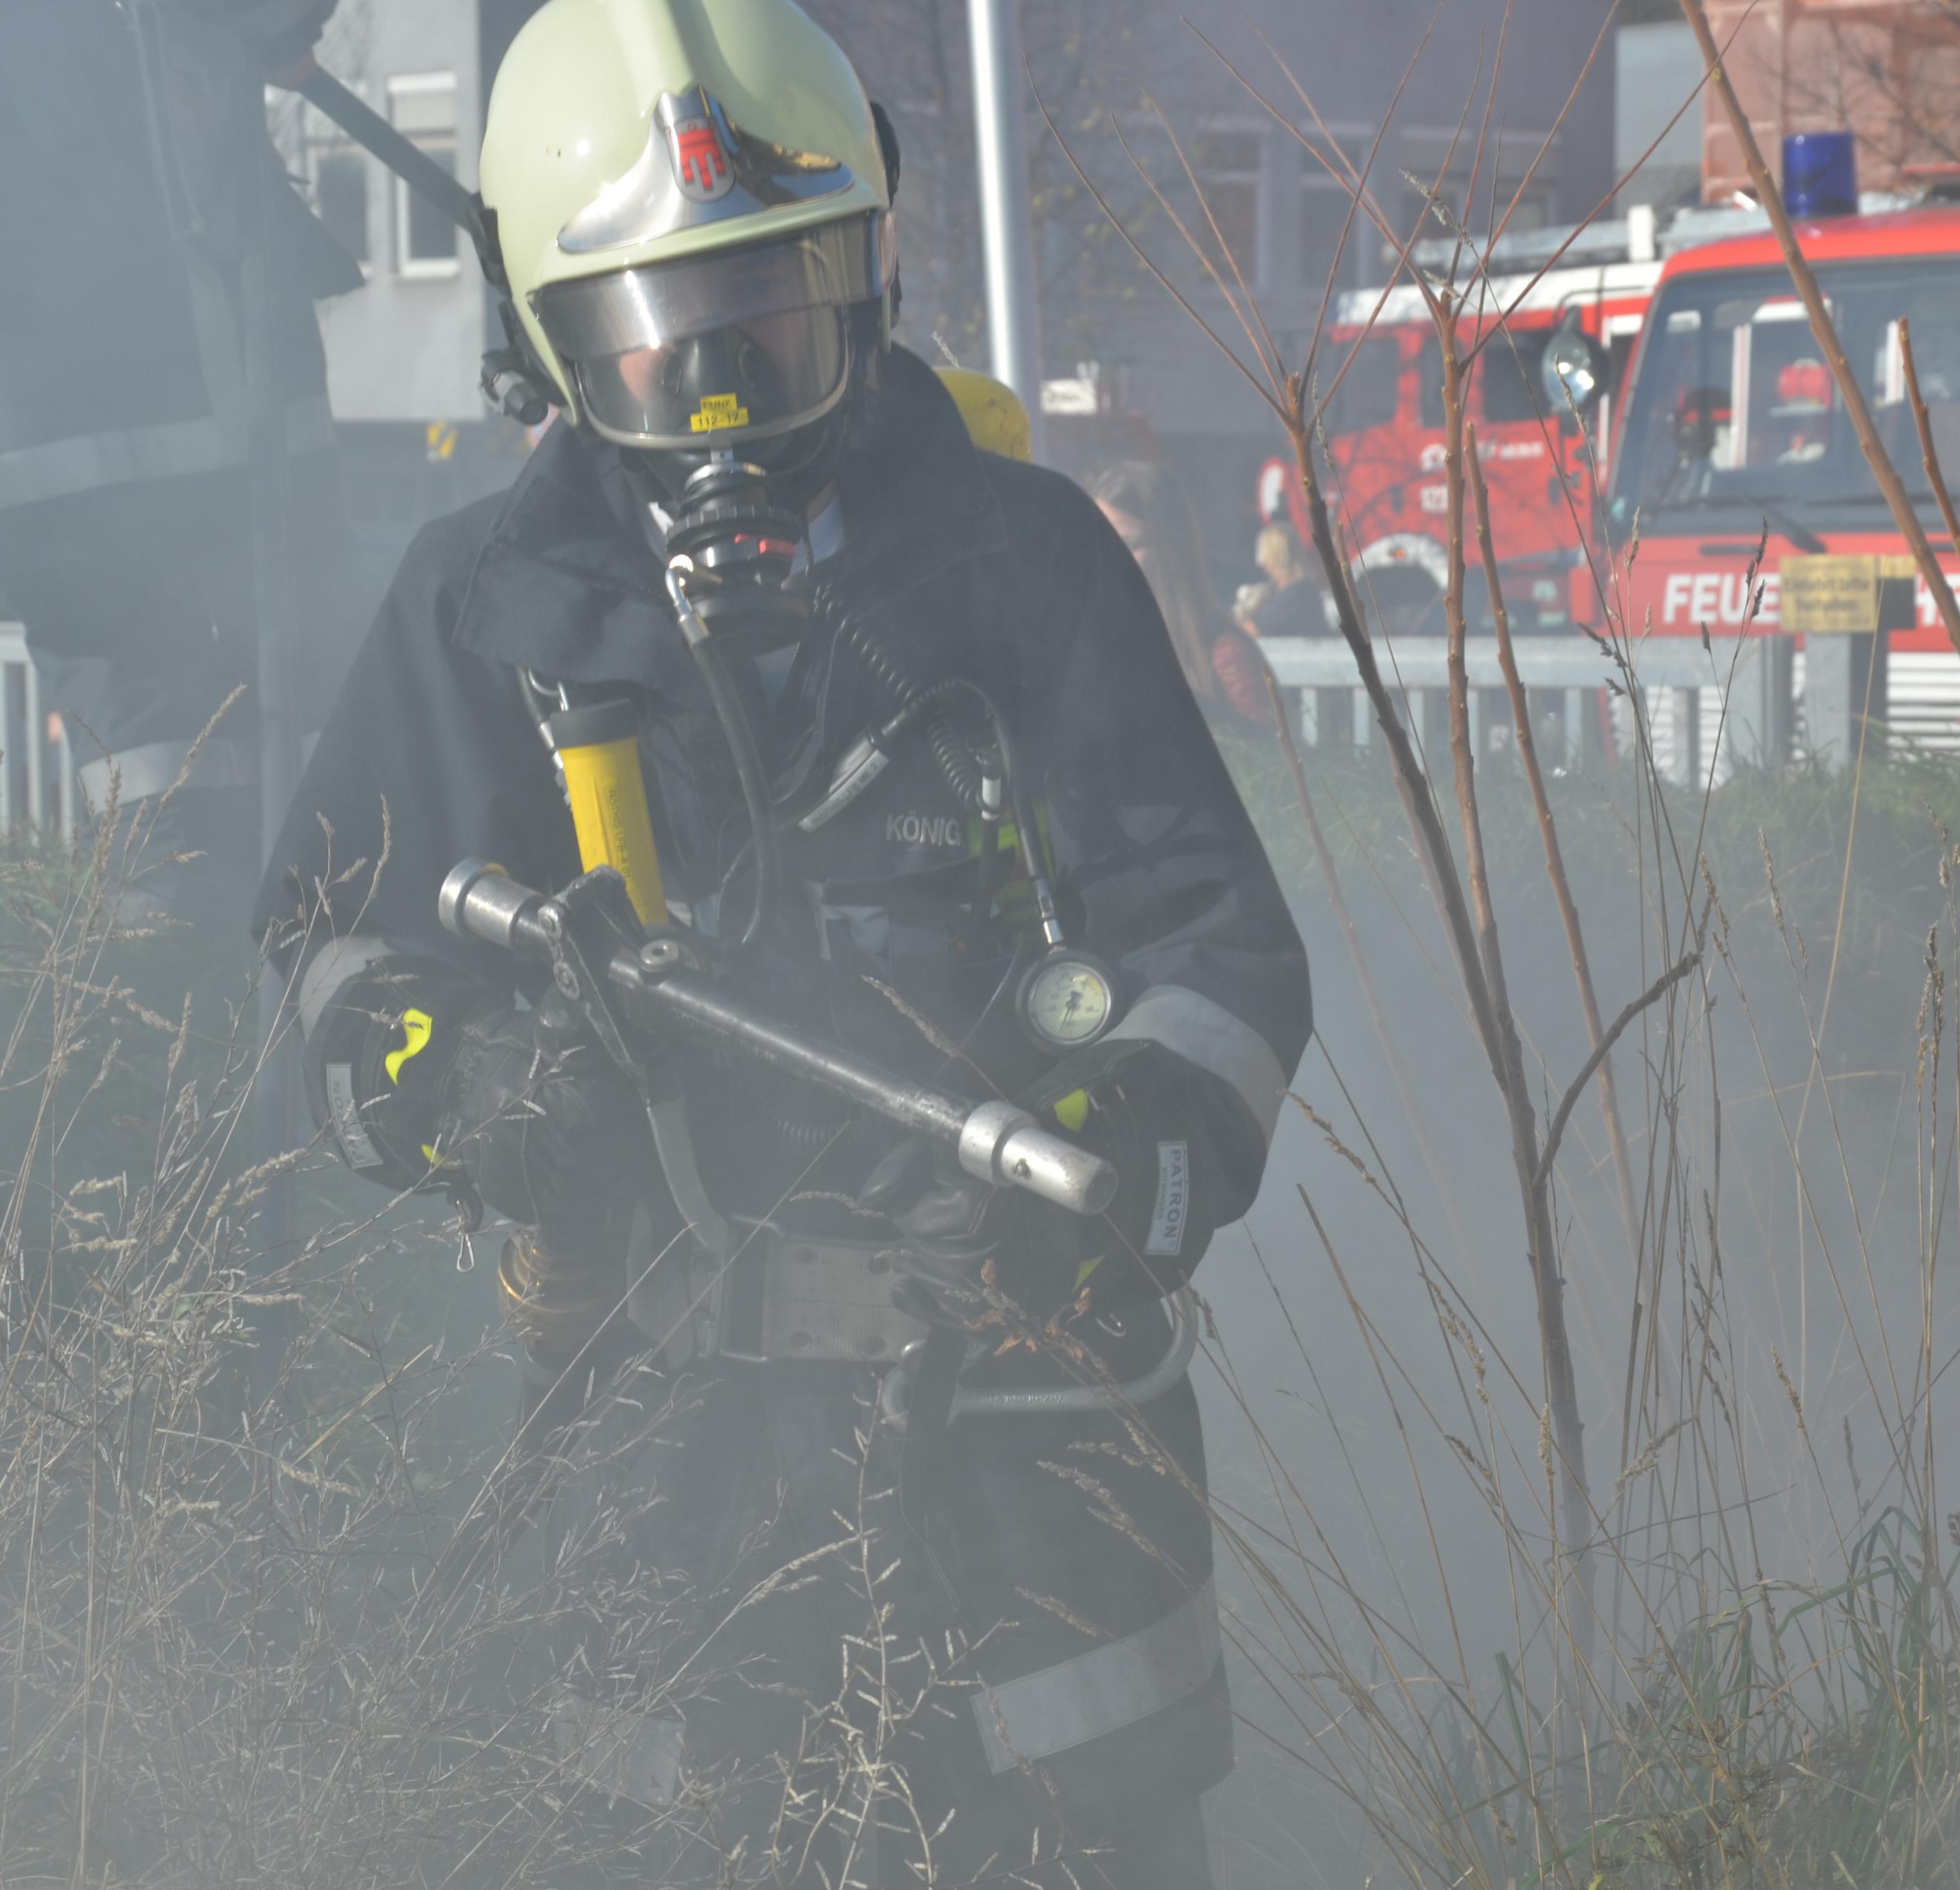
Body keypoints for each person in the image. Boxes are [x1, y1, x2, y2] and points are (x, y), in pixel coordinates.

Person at [258, 4, 1311, 1886]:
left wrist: (1129, 1154)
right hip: (660, 1419)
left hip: (1031, 1421)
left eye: (772, 306)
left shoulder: (1026, 566)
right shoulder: (483, 612)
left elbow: (1211, 945)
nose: (723, 385)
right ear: (545, 337)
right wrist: (463, 1083)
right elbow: (333, 949)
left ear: (869, 275)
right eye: (659, 334)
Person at [0, 0, 360, 919]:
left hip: (24, 353)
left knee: (168, 689)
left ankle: (202, 936)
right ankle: (282, 927)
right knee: (277, 668)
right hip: (171, 324)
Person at [1086, 461, 1273, 729]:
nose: (1111, 558)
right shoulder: (1088, 645)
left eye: (1130, 544)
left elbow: (1267, 753)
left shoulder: (1226, 655)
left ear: (1172, 550)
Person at [1235, 521, 1334, 639]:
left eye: (1262, 552)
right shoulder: (1280, 590)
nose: (1261, 561)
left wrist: (1230, 626)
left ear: (1274, 554)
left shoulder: (1299, 592)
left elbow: (1257, 629)